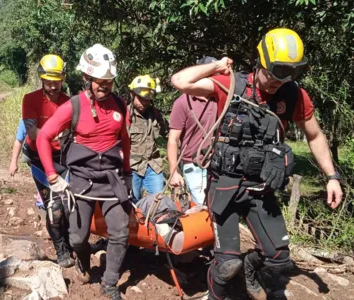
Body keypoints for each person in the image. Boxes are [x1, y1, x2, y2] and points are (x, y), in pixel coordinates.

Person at [170, 28, 343, 300]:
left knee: (278, 257)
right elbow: (179, 80)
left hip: (261, 187)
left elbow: (315, 135)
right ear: (259, 61)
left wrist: (332, 176)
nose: (278, 81)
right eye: (273, 73)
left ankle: (250, 269)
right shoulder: (230, 85)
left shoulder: (293, 96)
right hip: (224, 185)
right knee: (227, 263)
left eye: (287, 74)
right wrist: (217, 65)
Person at [36, 44, 131, 300]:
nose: (105, 86)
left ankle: (110, 283)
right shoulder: (73, 106)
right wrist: (52, 175)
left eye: (109, 81)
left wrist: (127, 172)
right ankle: (84, 262)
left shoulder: (120, 105)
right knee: (77, 238)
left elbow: (125, 140)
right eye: (100, 81)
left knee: (121, 231)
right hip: (82, 179)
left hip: (112, 179)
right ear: (87, 79)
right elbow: (44, 137)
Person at [19, 54, 75, 268]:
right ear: (42, 79)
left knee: (70, 203)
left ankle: (71, 242)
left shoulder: (68, 101)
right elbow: (32, 132)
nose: (53, 86)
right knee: (54, 205)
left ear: (63, 79)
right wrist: (53, 135)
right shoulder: (30, 100)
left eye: (57, 81)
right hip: (39, 159)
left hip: (64, 157)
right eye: (49, 82)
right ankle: (61, 248)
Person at [168, 57, 218, 206]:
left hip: (216, 163)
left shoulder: (219, 99)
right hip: (193, 165)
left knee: (217, 206)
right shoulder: (183, 102)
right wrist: (173, 172)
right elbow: (173, 140)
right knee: (203, 206)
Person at [127, 75, 169, 202]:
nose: (144, 103)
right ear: (132, 94)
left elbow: (170, 134)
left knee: (159, 202)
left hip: (153, 165)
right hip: (132, 167)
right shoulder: (125, 115)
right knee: (132, 204)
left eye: (148, 99)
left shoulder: (156, 115)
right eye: (141, 98)